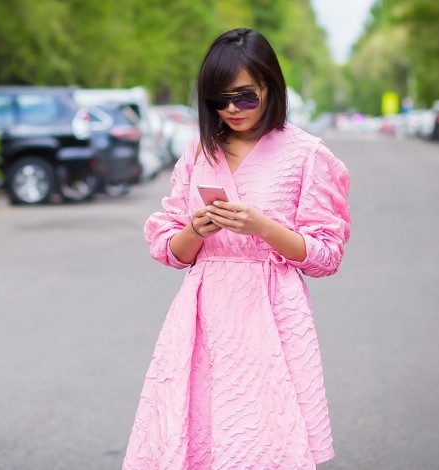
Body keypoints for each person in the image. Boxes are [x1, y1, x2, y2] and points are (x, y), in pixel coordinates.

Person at [122, 28, 351, 469]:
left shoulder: (306, 154)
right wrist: (195, 229)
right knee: (201, 437)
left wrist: (263, 227)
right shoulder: (199, 151)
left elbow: (326, 255)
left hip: (272, 313)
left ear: (271, 87)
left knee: (264, 440)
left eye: (245, 96)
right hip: (204, 314)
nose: (231, 109)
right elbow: (169, 248)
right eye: (219, 100)